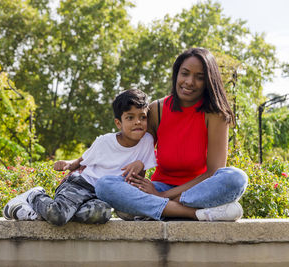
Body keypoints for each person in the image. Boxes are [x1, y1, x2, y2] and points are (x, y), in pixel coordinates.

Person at [95, 47, 248, 221]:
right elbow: (139, 151)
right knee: (104, 185)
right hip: (158, 188)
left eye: (199, 77)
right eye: (185, 73)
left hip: (198, 191)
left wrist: (164, 197)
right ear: (177, 74)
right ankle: (195, 213)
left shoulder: (216, 115)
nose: (189, 82)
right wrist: (137, 169)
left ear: (208, 81)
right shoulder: (156, 109)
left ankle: (150, 209)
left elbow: (213, 172)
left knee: (237, 178)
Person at [3, 89, 157, 226]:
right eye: (130, 118)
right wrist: (68, 165)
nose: (137, 122)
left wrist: (140, 166)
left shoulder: (147, 141)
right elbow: (80, 161)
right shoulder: (105, 141)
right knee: (57, 216)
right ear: (118, 123)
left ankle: (67, 211)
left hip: (101, 197)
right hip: (82, 185)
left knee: (101, 213)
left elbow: (137, 179)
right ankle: (35, 195)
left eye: (142, 117)